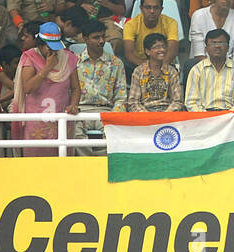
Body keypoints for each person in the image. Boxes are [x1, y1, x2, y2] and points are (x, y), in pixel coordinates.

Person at [11, 22, 80, 157]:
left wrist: (74, 105)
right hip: (36, 121)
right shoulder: (29, 57)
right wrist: (47, 68)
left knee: (60, 161)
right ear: (40, 44)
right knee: (35, 163)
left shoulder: (68, 58)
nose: (53, 51)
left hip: (61, 120)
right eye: (49, 47)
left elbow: (76, 88)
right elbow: (28, 88)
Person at [73, 19, 126, 155]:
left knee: (113, 137)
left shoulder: (116, 63)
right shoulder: (74, 62)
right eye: (96, 37)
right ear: (85, 39)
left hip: (106, 111)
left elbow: (121, 96)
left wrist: (115, 116)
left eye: (103, 36)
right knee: (74, 133)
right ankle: (87, 167)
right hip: (80, 111)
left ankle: (100, 166)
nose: (101, 41)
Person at [127, 33, 184, 113]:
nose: (162, 50)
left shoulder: (172, 71)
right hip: (145, 115)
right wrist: (148, 116)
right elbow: (133, 102)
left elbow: (177, 101)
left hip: (167, 114)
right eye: (157, 47)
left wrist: (165, 115)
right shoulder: (138, 72)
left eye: (164, 47)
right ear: (148, 51)